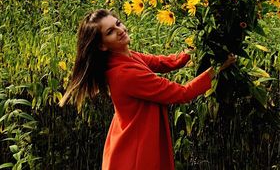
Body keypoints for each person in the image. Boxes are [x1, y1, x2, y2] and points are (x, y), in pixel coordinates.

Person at [59, 9, 236, 170]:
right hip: (136, 150)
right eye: (110, 32)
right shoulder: (124, 74)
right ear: (102, 45)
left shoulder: (126, 56)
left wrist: (196, 49)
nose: (120, 30)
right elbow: (182, 93)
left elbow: (162, 62)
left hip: (132, 139)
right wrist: (216, 69)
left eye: (118, 24)